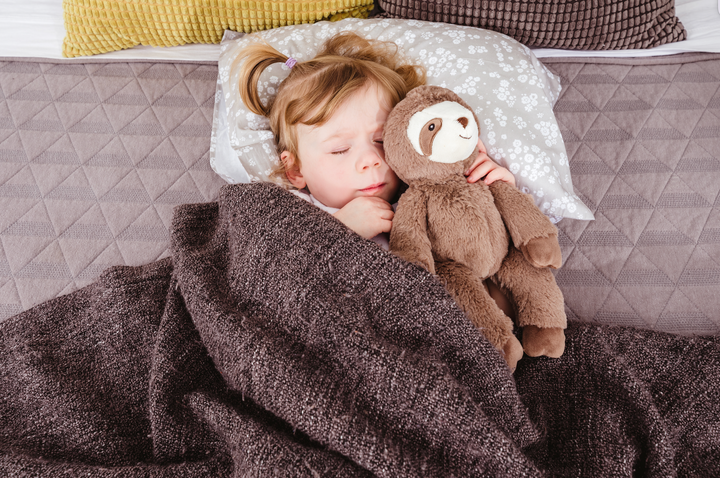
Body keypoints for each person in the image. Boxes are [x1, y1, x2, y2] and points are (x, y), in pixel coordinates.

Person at [235, 32, 516, 243]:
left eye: (381, 141)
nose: (371, 160)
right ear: (296, 169)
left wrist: (495, 194)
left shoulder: (422, 196)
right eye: (340, 149)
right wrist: (339, 229)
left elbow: (478, 257)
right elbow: (272, 270)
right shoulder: (294, 213)